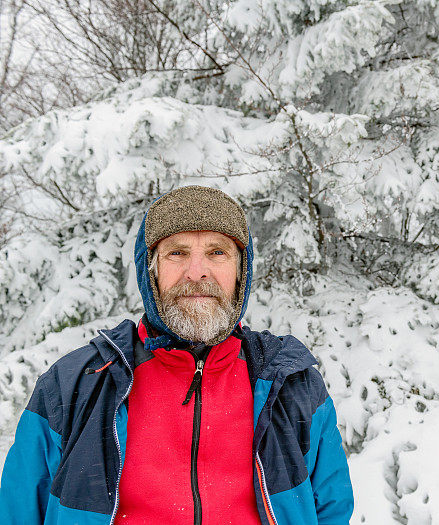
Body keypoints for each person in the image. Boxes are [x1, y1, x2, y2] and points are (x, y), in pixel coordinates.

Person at [0, 185, 354, 524]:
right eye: (178, 252)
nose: (196, 272)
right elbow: (18, 512)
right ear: (149, 270)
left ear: (241, 271)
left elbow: (331, 510)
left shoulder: (289, 384)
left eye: (217, 252)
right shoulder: (73, 385)